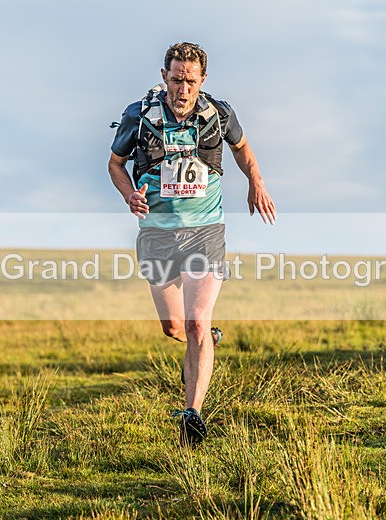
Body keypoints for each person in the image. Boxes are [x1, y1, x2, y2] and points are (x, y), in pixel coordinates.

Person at [108, 42, 276, 446]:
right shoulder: (140, 116)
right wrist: (129, 194)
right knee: (175, 328)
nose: (183, 89)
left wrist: (256, 181)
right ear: (164, 76)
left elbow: (244, 151)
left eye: (191, 81)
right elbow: (115, 164)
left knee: (197, 321)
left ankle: (192, 414)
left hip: (206, 230)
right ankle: (205, 340)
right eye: (177, 80)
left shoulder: (219, 114)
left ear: (203, 80)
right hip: (157, 233)